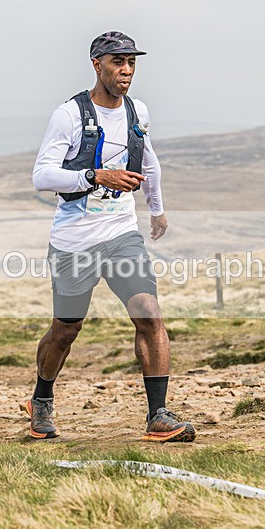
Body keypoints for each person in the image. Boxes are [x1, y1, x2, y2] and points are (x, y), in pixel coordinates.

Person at [29, 32, 195, 443]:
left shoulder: (138, 110)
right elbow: (41, 176)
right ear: (96, 64)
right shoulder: (68, 115)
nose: (126, 71)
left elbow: (149, 160)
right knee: (66, 329)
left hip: (122, 234)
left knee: (149, 312)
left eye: (131, 63)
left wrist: (156, 209)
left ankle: (158, 414)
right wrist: (95, 175)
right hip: (74, 240)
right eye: (117, 62)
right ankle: (41, 399)